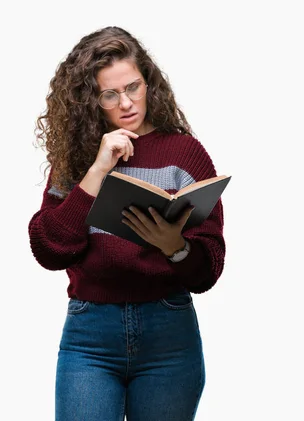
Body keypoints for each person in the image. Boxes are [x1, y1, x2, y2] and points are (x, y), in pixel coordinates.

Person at [28, 26, 226, 421]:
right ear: (91, 100)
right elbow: (49, 248)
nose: (127, 103)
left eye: (134, 87)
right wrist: (99, 169)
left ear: (148, 82)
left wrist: (176, 246)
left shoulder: (185, 153)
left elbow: (209, 269)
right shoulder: (78, 158)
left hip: (168, 333)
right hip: (90, 336)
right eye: (110, 94)